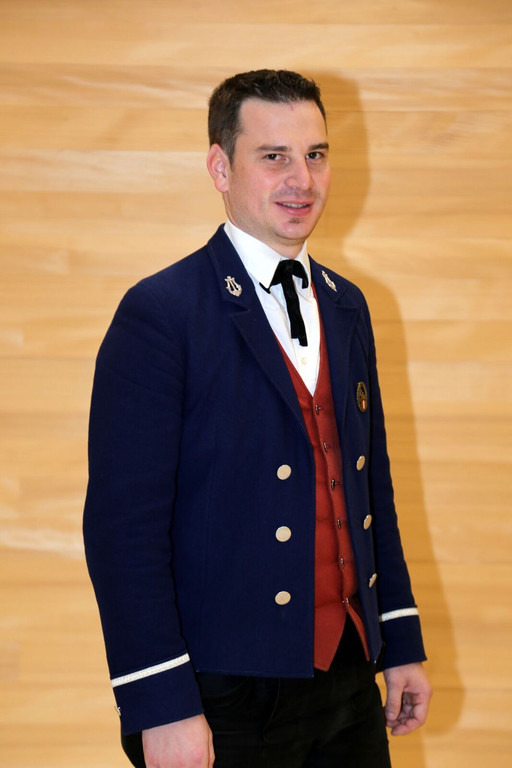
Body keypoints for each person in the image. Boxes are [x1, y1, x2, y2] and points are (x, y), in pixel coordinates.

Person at [83, 69, 432, 768]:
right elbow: (123, 532)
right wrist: (162, 704)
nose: (301, 179)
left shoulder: (348, 304)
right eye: (273, 157)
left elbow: (370, 490)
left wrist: (400, 640)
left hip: (348, 674)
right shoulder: (161, 313)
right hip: (222, 691)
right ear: (221, 167)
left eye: (315, 155)